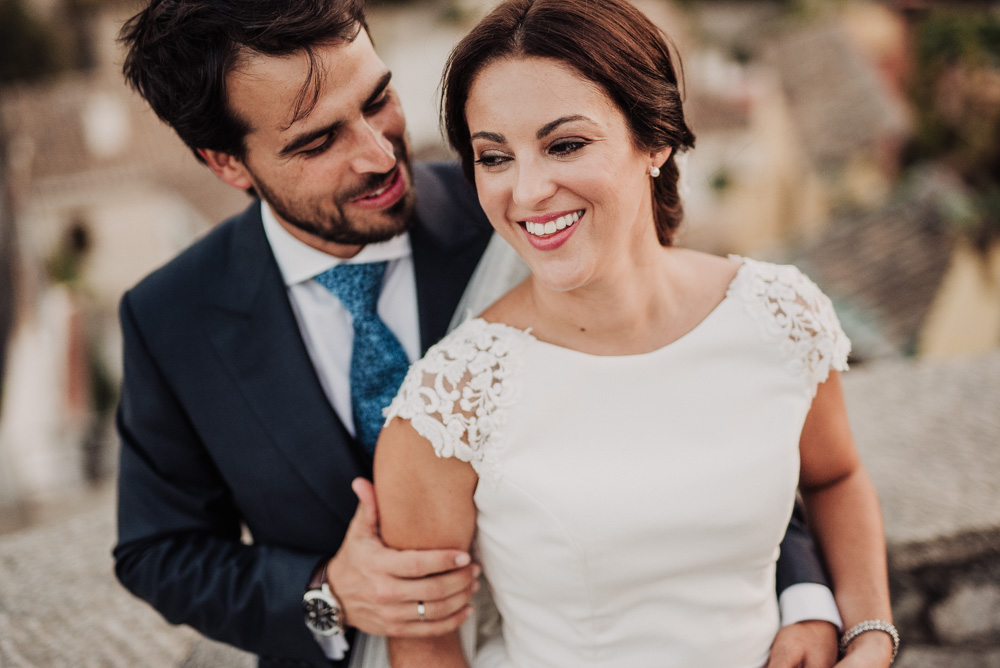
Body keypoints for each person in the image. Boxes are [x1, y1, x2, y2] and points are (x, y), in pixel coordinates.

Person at [113, 0, 842, 666]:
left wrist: (805, 594)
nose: (378, 153)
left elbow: (706, 407)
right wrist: (326, 591)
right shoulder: (172, 317)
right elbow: (157, 550)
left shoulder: (533, 211)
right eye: (318, 142)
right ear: (227, 162)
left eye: (378, 100)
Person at [373, 1, 897, 667]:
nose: (528, 190)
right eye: (494, 156)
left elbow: (836, 477)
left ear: (656, 140)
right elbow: (423, 645)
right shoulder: (449, 405)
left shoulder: (780, 315)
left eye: (565, 144)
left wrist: (870, 633)